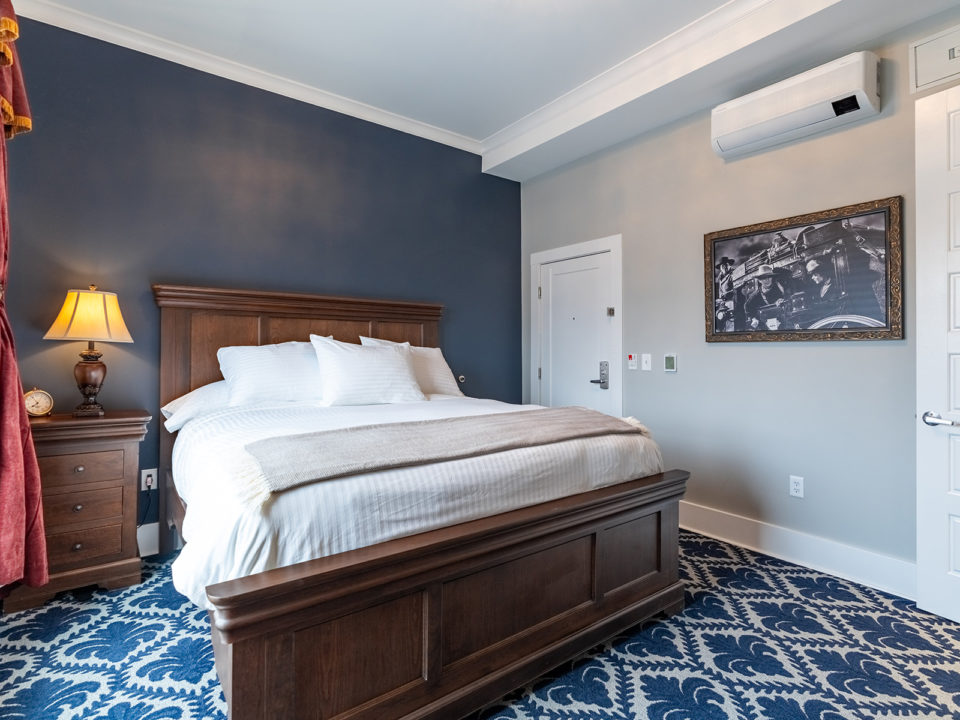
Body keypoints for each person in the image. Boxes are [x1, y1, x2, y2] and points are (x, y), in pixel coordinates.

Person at [744, 264, 786, 329]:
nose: (767, 280)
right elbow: (747, 306)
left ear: (772, 277)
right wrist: (754, 318)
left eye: (769, 277)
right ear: (759, 280)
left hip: (783, 321)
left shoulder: (780, 287)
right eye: (763, 278)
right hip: (766, 325)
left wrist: (783, 300)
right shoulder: (756, 295)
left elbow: (790, 296)